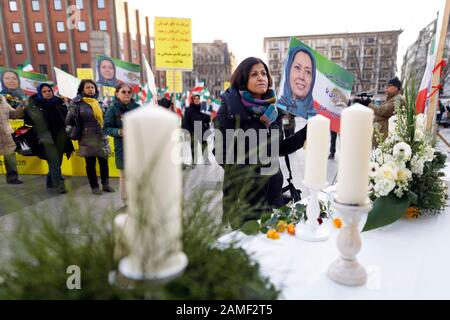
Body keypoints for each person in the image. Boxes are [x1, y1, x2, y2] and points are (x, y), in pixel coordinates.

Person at [215, 57, 307, 227]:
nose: (261, 78)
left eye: (264, 73)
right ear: (243, 79)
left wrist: (306, 133)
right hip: (245, 200)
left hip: (274, 197)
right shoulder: (229, 109)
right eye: (254, 74)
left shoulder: (273, 110)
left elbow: (278, 148)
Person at [25, 83, 74, 193]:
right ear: (39, 93)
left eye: (49, 91)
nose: (47, 93)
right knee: (54, 161)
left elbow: (66, 118)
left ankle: (50, 180)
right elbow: (28, 121)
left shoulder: (58, 103)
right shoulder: (35, 105)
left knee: (58, 162)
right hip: (45, 138)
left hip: (60, 137)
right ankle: (59, 185)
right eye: (44, 91)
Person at [67, 80, 114, 195]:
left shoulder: (100, 102)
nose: (90, 89)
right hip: (86, 138)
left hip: (101, 137)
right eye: (87, 87)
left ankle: (106, 184)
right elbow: (69, 120)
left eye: (92, 87)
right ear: (82, 89)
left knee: (104, 163)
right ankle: (94, 187)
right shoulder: (77, 103)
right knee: (90, 164)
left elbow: (106, 117)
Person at [104, 83, 140, 204]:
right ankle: (126, 201)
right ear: (117, 93)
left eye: (129, 92)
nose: (126, 94)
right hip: (122, 147)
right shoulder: (112, 109)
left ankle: (137, 199)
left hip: (137, 146)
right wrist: (119, 132)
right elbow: (107, 128)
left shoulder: (138, 107)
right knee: (124, 175)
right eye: (123, 92)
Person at [277, 45, 317, 119]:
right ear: (288, 71)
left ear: (313, 78)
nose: (301, 77)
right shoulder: (274, 110)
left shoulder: (319, 119)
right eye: (297, 67)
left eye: (308, 71)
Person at [367, 77, 405, 144]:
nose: (386, 88)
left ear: (396, 88)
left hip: (386, 135)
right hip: (381, 133)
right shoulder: (390, 99)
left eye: (389, 86)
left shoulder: (398, 99)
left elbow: (382, 111)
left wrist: (368, 104)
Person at [0, 95, 24, 184]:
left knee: (10, 157)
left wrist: (21, 105)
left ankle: (12, 178)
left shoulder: (2, 99)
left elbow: (13, 115)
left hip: (6, 134)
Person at [182, 94, 211, 165]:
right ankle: (194, 162)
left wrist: (208, 118)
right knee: (193, 146)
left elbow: (207, 118)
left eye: (198, 98)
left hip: (201, 130)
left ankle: (206, 160)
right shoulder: (188, 109)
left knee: (204, 145)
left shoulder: (202, 108)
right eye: (195, 99)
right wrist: (187, 132)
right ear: (192, 100)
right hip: (192, 130)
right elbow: (186, 121)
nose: (197, 100)